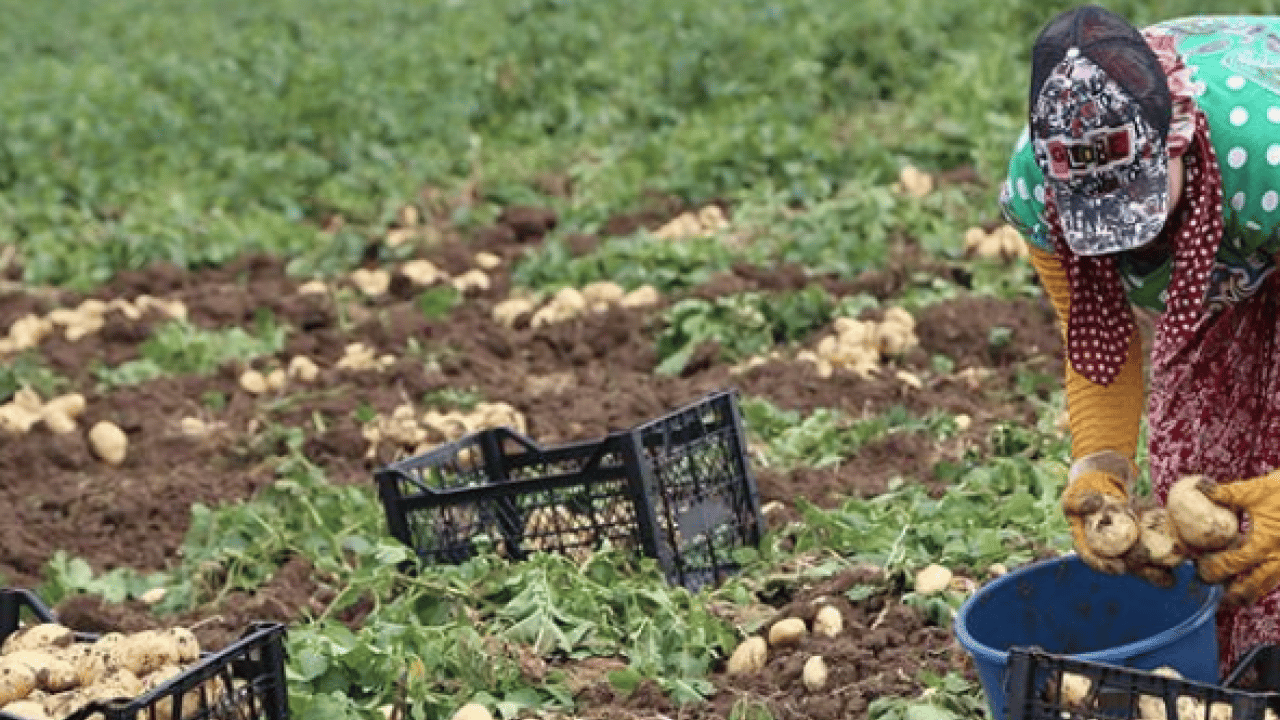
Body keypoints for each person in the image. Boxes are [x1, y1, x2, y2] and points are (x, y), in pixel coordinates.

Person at [1000, 4, 1280, 675]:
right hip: (1230, 257)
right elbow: (1098, 341)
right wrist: (1099, 467)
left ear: (1178, 139)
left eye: (1139, 198)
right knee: (1206, 478)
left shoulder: (1267, 155)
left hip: (1260, 197)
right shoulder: (1040, 191)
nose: (1131, 237)